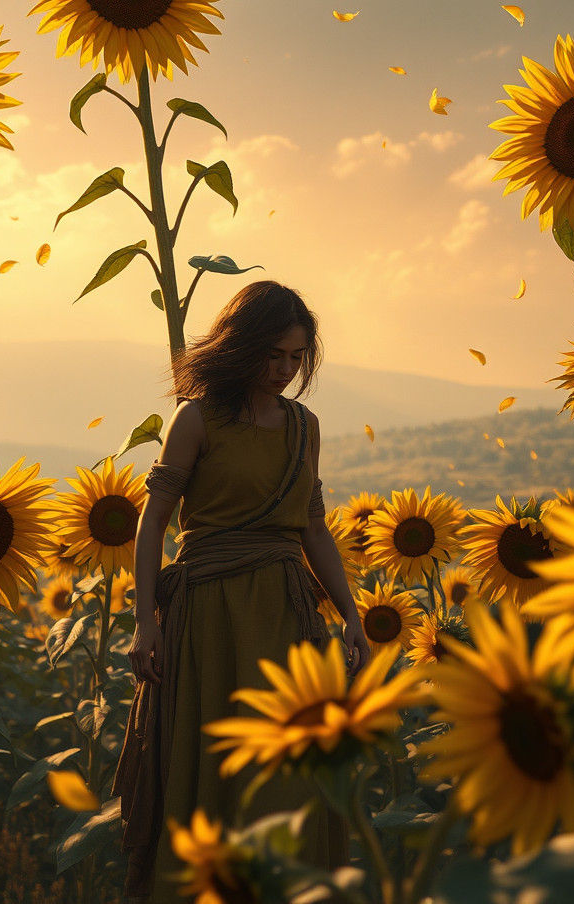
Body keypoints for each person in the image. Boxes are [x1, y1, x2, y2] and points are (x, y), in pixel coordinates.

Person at [111, 281, 372, 903]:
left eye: (297, 357)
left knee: (287, 775)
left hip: (285, 618)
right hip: (208, 619)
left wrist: (351, 616)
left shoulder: (304, 428)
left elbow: (313, 528)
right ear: (241, 346)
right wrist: (147, 624)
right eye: (274, 354)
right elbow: (153, 524)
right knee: (210, 768)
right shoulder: (196, 418)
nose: (285, 370)